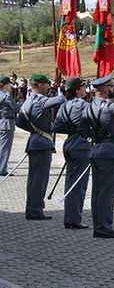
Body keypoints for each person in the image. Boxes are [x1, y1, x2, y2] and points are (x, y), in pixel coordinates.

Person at [79, 75, 114, 238]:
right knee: (106, 192)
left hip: (96, 149)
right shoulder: (109, 105)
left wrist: (95, 137)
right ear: (105, 89)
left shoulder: (88, 107)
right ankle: (104, 226)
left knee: (97, 191)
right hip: (108, 151)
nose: (113, 89)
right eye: (111, 87)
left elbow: (82, 128)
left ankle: (99, 225)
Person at [16, 74, 66, 220]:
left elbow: (20, 122)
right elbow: (61, 100)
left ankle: (33, 208)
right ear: (39, 85)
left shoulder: (28, 100)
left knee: (34, 179)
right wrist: (59, 90)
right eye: (46, 84)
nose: (48, 87)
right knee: (40, 179)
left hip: (34, 140)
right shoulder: (41, 100)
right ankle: (35, 210)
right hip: (42, 143)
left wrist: (34, 130)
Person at [53, 77, 90, 229]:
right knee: (78, 185)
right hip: (81, 144)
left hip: (69, 142)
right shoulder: (83, 105)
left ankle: (70, 217)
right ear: (76, 90)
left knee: (70, 182)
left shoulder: (64, 105)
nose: (85, 90)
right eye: (82, 87)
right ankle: (74, 219)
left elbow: (57, 126)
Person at [0, 75, 19, 176]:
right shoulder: (6, 96)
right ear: (5, 85)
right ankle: (2, 169)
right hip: (6, 124)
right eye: (9, 85)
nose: (10, 87)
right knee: (5, 148)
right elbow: (16, 108)